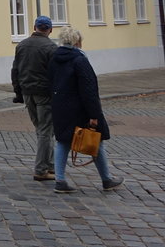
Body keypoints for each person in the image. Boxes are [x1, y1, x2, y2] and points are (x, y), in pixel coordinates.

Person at [50, 26, 123, 193]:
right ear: (78, 42)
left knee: (62, 142)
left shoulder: (54, 58)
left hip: (60, 106)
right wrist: (94, 115)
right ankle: (106, 179)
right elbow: (88, 90)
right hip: (79, 109)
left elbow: (50, 82)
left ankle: (60, 180)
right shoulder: (80, 60)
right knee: (96, 141)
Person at [11, 15, 57, 181]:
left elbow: (15, 71)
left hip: (27, 92)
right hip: (44, 94)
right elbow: (55, 75)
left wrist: (18, 93)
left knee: (42, 130)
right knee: (45, 131)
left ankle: (51, 165)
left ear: (35, 27)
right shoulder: (51, 47)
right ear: (50, 29)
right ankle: (41, 169)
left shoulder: (22, 45)